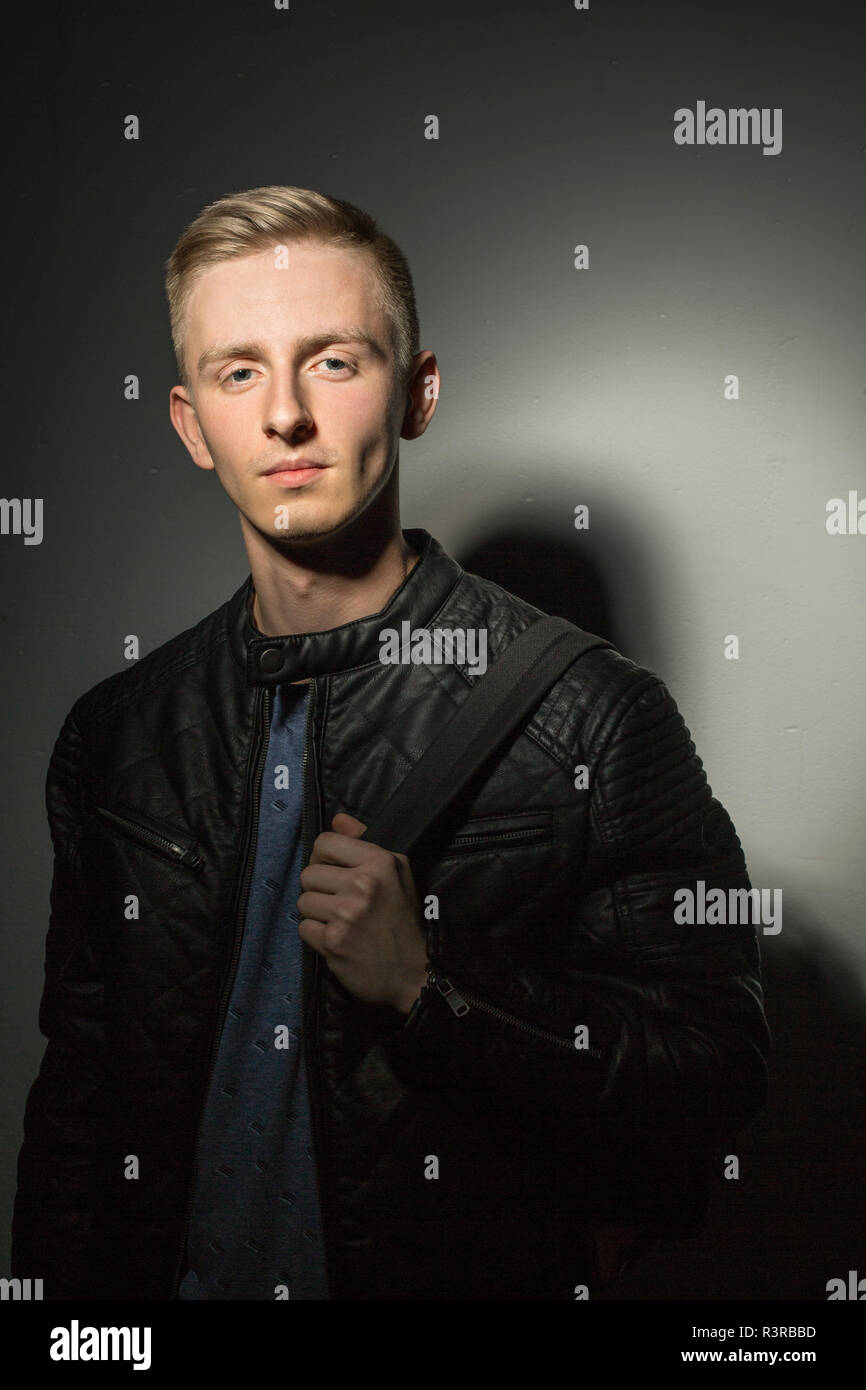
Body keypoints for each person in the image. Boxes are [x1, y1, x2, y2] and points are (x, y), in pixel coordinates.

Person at [11, 184, 771, 1301]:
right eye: (238, 371)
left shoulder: (591, 715)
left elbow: (714, 1071)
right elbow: (79, 1100)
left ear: (415, 394)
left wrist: (431, 989)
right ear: (189, 424)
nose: (283, 416)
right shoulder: (119, 733)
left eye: (331, 361)